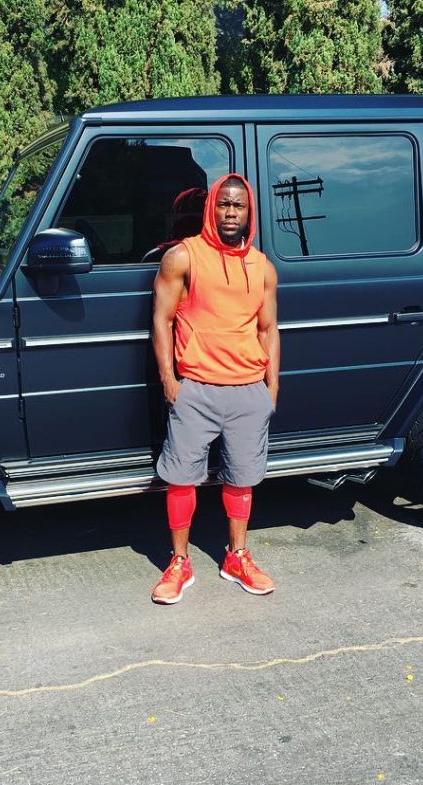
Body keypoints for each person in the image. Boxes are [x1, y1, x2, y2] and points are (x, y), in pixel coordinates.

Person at [150, 172, 280, 604]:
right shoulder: (184, 258)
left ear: (249, 212)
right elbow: (162, 320)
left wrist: (271, 389)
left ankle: (236, 556)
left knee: (241, 480)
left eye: (238, 205)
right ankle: (179, 562)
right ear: (211, 208)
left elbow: (269, 328)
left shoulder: (261, 266)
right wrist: (170, 381)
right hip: (197, 390)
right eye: (223, 204)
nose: (230, 212)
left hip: (247, 391)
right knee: (180, 480)